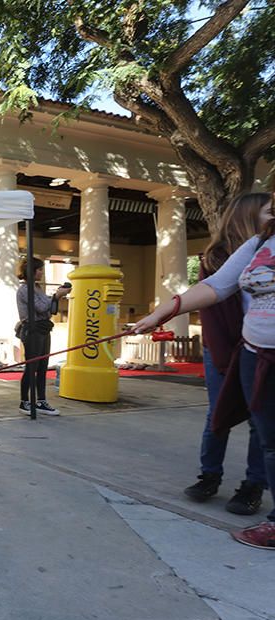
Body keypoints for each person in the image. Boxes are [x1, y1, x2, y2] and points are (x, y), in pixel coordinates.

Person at [134, 192, 275, 550]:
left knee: (267, 434)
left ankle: (255, 488)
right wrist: (159, 314)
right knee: (258, 431)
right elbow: (215, 286)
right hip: (252, 352)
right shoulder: (260, 243)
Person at [182, 193, 269, 515]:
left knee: (261, 420)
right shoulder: (216, 258)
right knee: (217, 416)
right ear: (249, 216)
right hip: (223, 348)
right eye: (269, 211)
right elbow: (213, 300)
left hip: (262, 348)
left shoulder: (269, 250)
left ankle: (253, 485)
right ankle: (209, 475)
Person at [16, 257, 69, 416]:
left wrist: (54, 297)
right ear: (31, 271)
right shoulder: (25, 289)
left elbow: (47, 309)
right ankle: (24, 401)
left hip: (42, 328)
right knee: (31, 367)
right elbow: (41, 307)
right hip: (32, 330)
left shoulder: (36, 288)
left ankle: (40, 400)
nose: (41, 273)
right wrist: (56, 296)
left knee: (42, 367)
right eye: (39, 270)